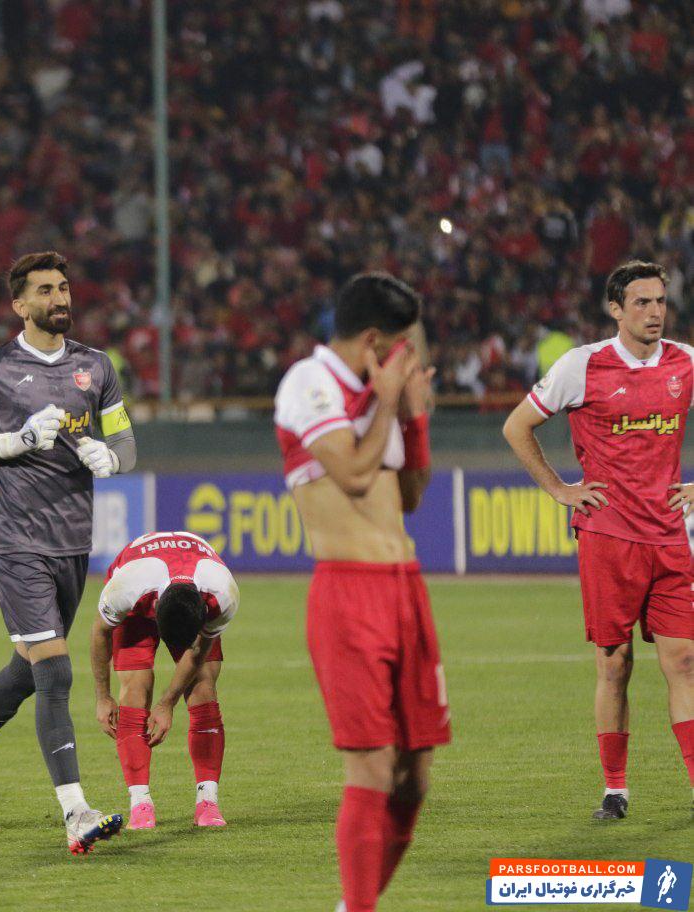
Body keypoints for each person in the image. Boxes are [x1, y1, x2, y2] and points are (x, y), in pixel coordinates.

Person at [0, 250, 136, 854]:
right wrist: (12, 442)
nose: (60, 298)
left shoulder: (96, 368)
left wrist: (110, 458)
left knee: (29, 668)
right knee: (56, 670)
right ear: (19, 305)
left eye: (65, 287)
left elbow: (124, 441)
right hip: (16, 540)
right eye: (46, 291)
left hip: (73, 542)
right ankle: (76, 811)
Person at [273, 272, 449, 912]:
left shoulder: (381, 394)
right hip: (349, 594)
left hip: (406, 589)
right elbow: (349, 472)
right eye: (406, 345)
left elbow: (408, 495)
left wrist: (413, 418)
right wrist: (384, 402)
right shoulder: (309, 381)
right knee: (372, 769)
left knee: (415, 775)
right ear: (376, 341)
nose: (414, 358)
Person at [503, 260, 694, 820]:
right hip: (608, 536)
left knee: (683, 661)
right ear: (615, 309)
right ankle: (616, 789)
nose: (655, 311)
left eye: (660, 301)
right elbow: (517, 426)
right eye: (642, 302)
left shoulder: (685, 362)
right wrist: (560, 489)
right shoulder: (581, 366)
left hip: (668, 537)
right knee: (615, 664)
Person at [90, 531, 238, 829]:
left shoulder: (222, 594)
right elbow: (99, 633)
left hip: (190, 590)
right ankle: (140, 804)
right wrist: (102, 696)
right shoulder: (126, 589)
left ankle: (207, 802)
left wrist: (168, 703)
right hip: (139, 598)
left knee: (203, 688)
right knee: (134, 690)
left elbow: (197, 654)